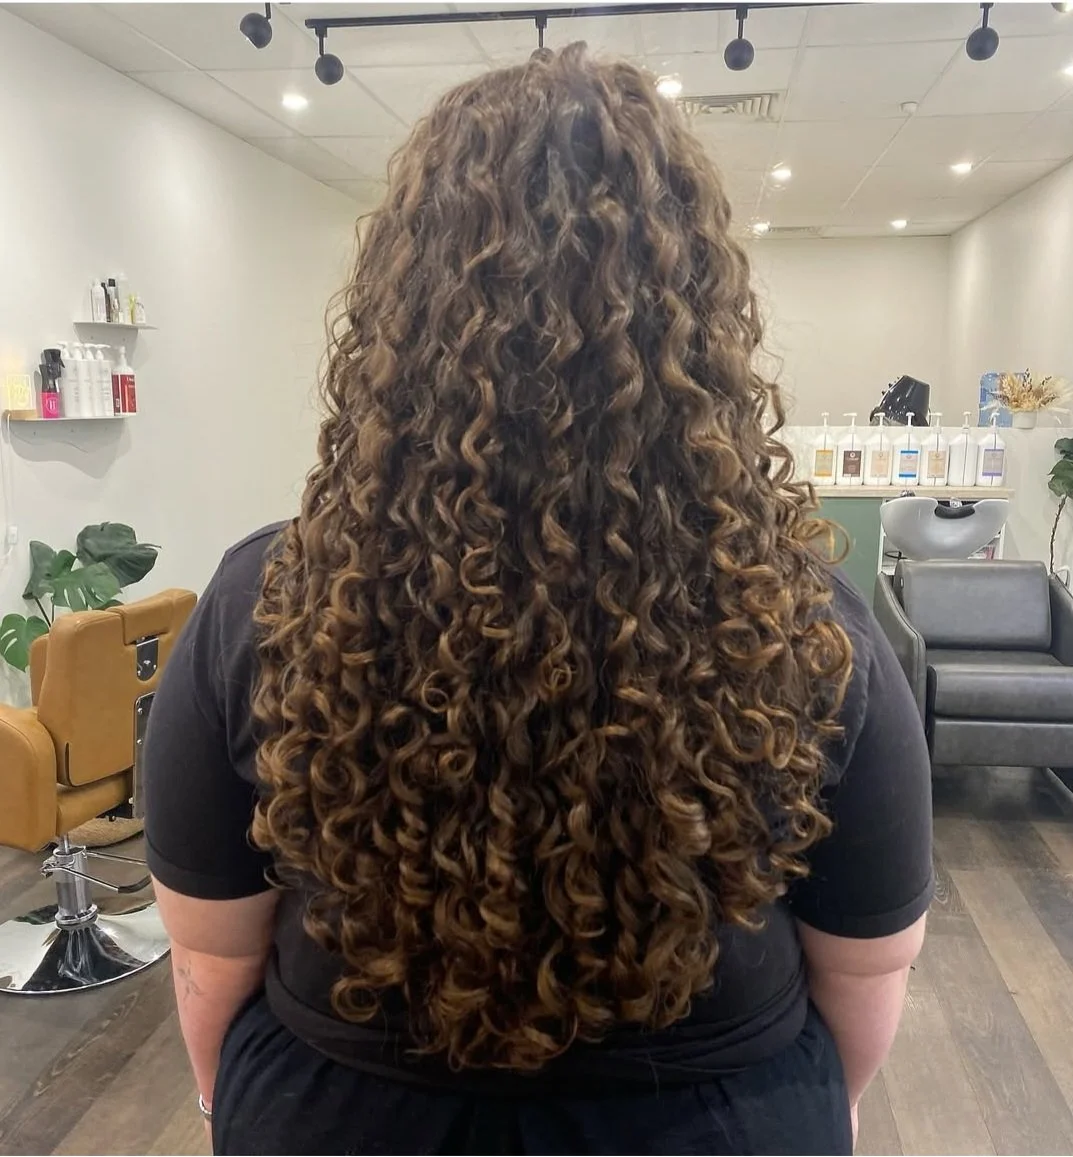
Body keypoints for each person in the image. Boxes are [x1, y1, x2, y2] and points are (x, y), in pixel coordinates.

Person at [144, 44, 932, 1156]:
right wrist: (814, 1114)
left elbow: (211, 951)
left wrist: (228, 1107)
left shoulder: (259, 602)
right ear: (694, 324)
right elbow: (866, 964)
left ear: (399, 318)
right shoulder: (804, 620)